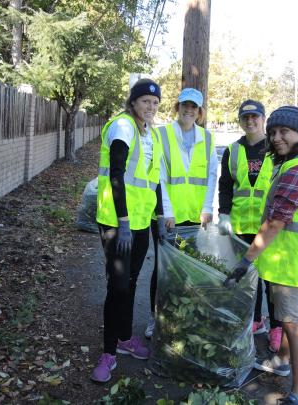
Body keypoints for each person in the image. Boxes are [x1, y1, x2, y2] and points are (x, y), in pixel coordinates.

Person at [224, 106, 298, 405]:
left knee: (294, 325)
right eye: (273, 132)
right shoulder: (295, 161)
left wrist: (246, 261)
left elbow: (275, 222)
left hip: (294, 261)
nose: (277, 137)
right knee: (284, 318)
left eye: (285, 132)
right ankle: (281, 361)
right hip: (289, 259)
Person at [92, 78, 167, 383]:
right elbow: (117, 175)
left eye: (155, 103)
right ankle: (108, 353)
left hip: (140, 222)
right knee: (118, 286)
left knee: (132, 281)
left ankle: (125, 338)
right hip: (117, 221)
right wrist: (122, 221)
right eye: (145, 101)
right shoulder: (123, 127)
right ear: (133, 102)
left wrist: (160, 216)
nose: (151, 107)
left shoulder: (151, 135)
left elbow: (155, 179)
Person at [145, 88, 218, 338]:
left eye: (194, 107)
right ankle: (157, 318)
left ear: (199, 112)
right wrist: (166, 211)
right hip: (169, 218)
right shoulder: (162, 135)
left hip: (194, 218)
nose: (189, 110)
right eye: (185, 105)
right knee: (164, 268)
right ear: (177, 107)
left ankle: (180, 316)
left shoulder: (207, 139)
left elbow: (210, 177)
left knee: (188, 268)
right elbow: (159, 176)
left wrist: (207, 209)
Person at [217, 99, 288, 358]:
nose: (250, 121)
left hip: (268, 226)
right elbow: (225, 185)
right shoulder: (233, 151)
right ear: (240, 120)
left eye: (255, 117)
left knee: (271, 279)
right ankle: (255, 318)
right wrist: (223, 213)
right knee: (248, 278)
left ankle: (277, 326)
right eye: (245, 118)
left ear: (263, 118)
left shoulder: (276, 148)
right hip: (241, 225)